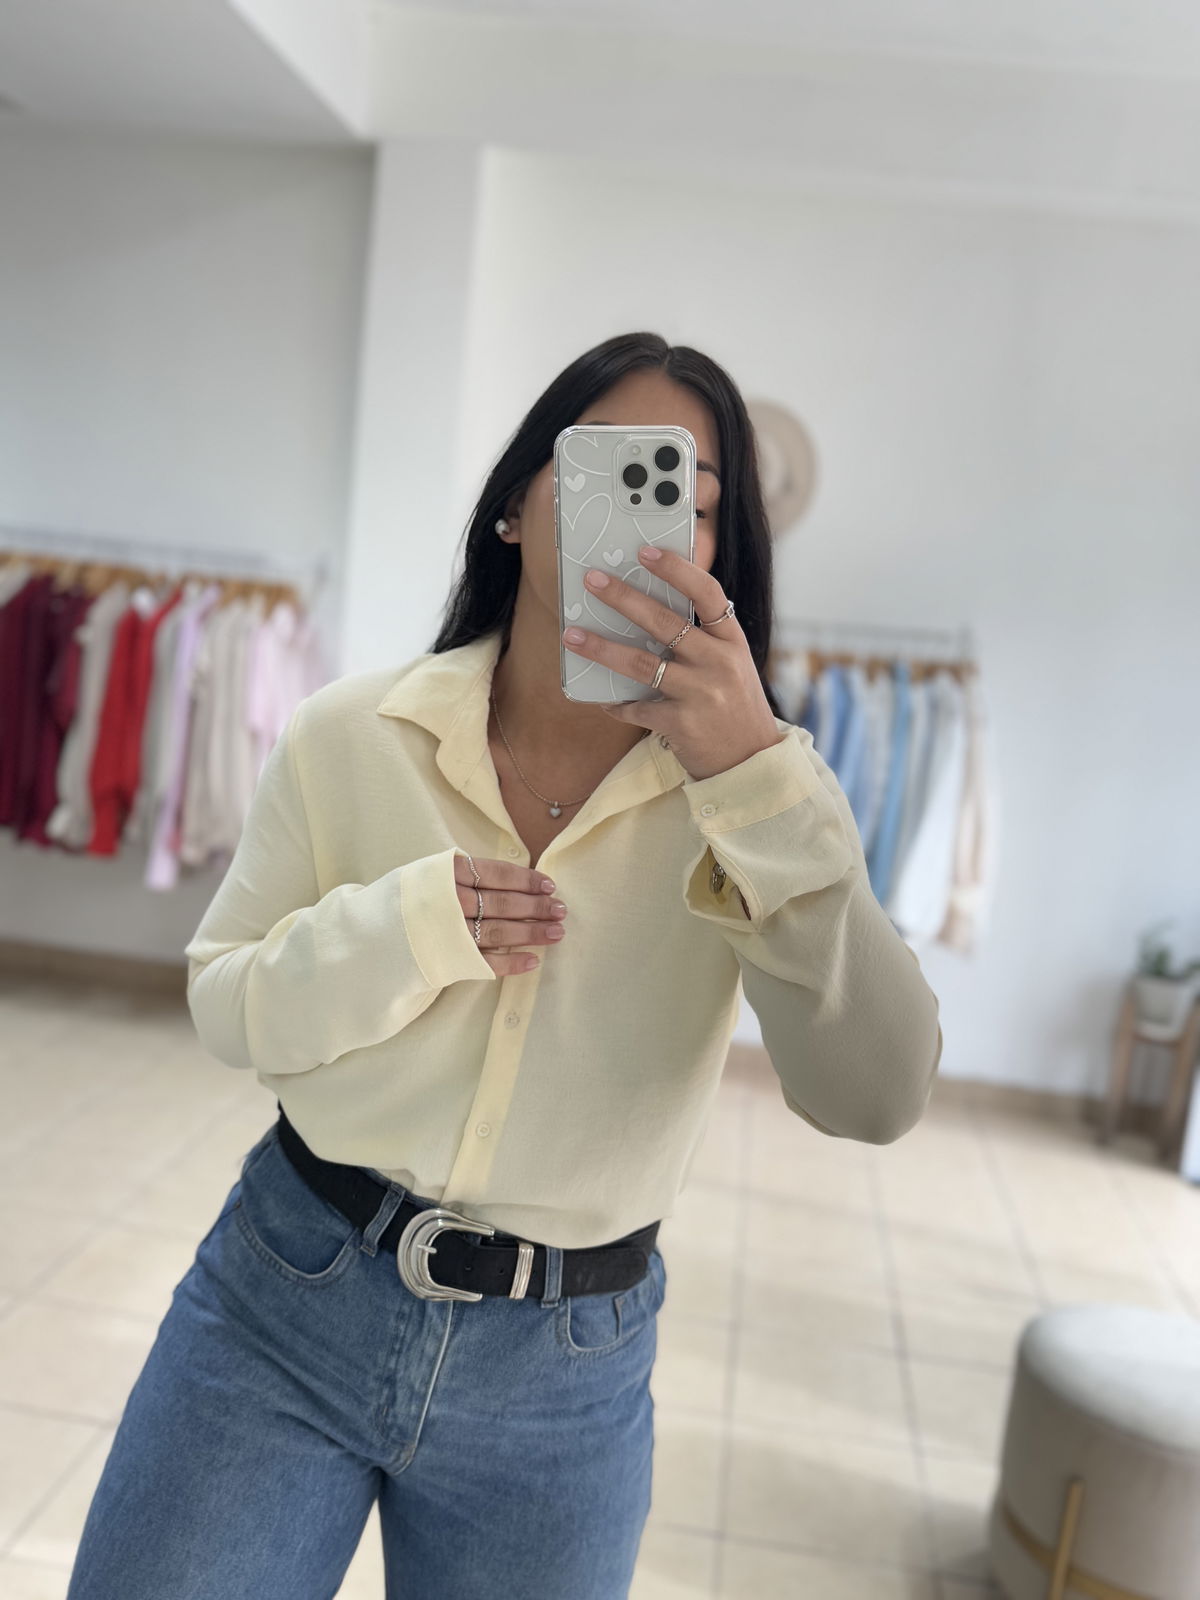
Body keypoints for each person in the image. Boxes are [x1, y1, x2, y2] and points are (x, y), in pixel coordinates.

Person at [65, 331, 943, 1599]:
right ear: (517, 507)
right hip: (287, 1299)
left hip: (563, 1378)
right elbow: (227, 1005)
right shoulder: (348, 735)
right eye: (604, 472)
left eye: (688, 502)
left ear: (722, 556)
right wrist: (408, 929)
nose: (643, 524)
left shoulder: (761, 805)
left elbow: (878, 1094)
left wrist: (757, 781)